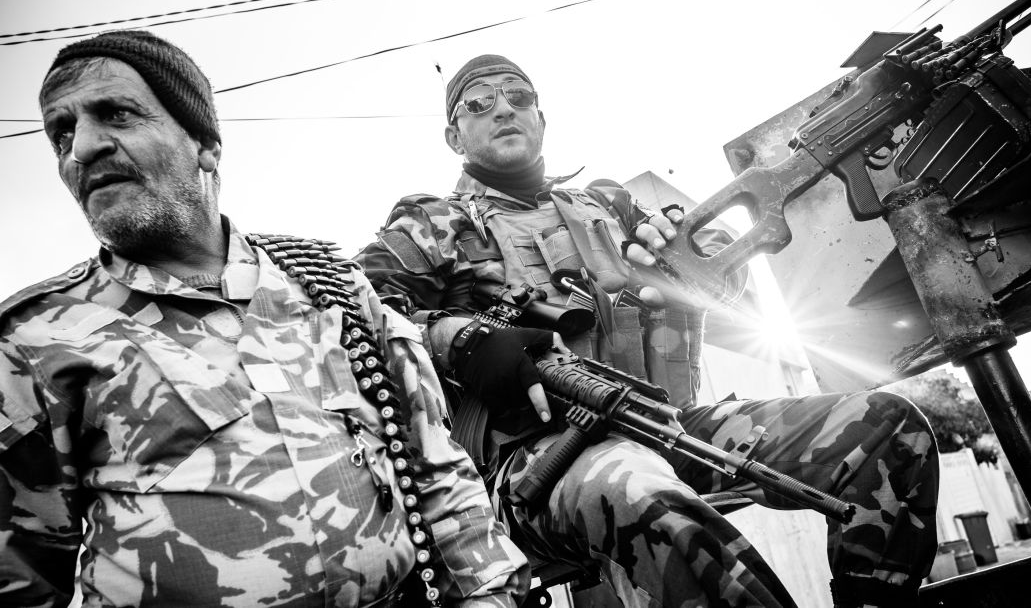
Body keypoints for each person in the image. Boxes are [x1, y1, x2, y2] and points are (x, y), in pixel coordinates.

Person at [355, 54, 940, 608]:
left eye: (518, 97)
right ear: (455, 137)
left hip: (665, 425)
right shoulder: (432, 222)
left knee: (887, 429)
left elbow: (724, 286)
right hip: (536, 465)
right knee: (640, 490)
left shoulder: (607, 203)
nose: (502, 110)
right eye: (477, 105)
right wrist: (463, 339)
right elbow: (354, 312)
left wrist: (687, 258)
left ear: (541, 116)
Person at [0, 32, 529, 607]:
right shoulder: (33, 338)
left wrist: (485, 595)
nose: (82, 147)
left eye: (116, 114)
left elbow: (437, 468)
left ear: (205, 145)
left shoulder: (328, 280)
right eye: (60, 133)